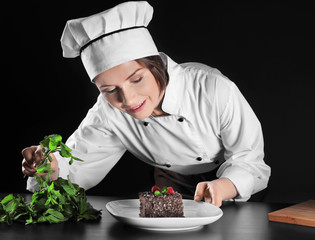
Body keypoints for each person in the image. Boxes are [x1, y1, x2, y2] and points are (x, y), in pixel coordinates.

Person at [22, 1, 270, 207]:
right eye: (109, 90)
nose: (127, 100)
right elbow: (76, 167)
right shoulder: (109, 113)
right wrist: (48, 165)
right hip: (171, 187)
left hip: (237, 186)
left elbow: (250, 160)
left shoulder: (212, 89)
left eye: (137, 79)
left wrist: (225, 185)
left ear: (156, 66)